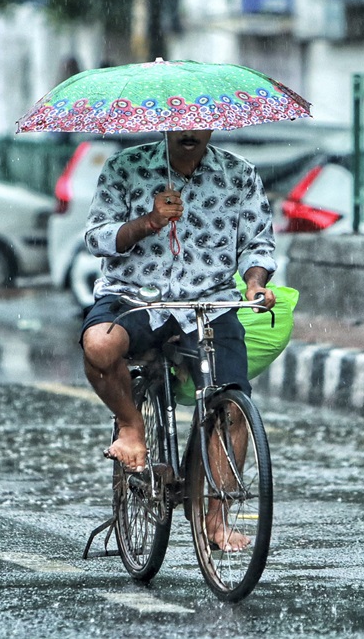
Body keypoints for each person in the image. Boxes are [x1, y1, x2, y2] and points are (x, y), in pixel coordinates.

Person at [79, 128, 277, 552]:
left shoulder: (239, 174)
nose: (189, 130)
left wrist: (255, 285)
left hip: (209, 304)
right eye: (179, 122)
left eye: (197, 122)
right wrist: (147, 222)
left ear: (210, 125)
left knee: (233, 403)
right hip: (134, 296)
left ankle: (217, 518)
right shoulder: (125, 167)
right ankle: (132, 428)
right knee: (98, 346)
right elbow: (97, 238)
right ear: (167, 125)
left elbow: (260, 245)